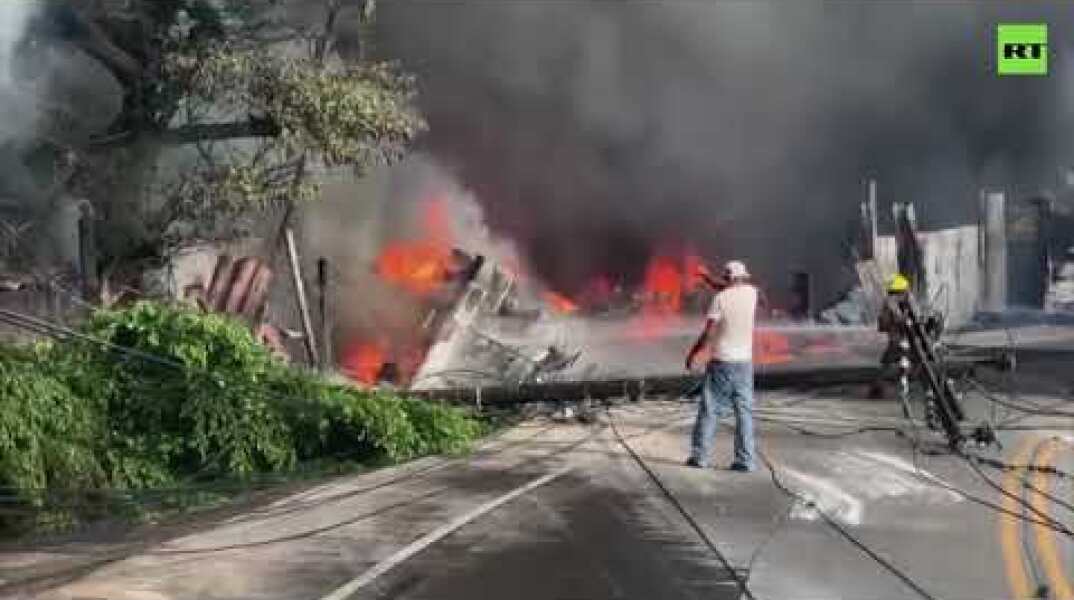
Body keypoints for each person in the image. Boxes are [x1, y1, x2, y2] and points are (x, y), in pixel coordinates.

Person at [685, 260, 759, 471]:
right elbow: (730, 289)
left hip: (722, 364)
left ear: (727, 278)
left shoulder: (720, 299)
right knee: (744, 413)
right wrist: (708, 278)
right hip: (744, 364)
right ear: (743, 277)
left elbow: (708, 333)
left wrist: (693, 354)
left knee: (709, 410)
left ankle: (699, 457)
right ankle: (746, 461)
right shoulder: (752, 294)